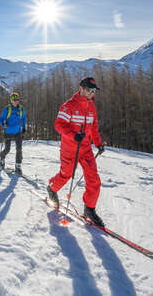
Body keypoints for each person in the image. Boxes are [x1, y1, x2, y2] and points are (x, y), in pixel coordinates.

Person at [47, 77, 106, 227]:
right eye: (89, 90)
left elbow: (93, 128)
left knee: (94, 179)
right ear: (81, 89)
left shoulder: (92, 108)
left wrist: (98, 143)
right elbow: (59, 125)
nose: (92, 93)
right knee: (66, 175)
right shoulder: (69, 106)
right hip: (70, 149)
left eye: (94, 91)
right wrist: (73, 135)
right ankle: (52, 187)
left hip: (85, 149)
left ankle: (89, 209)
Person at [0, 92, 27, 174]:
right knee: (7, 149)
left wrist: (24, 128)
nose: (16, 101)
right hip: (8, 132)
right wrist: (3, 124)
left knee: (19, 148)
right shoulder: (7, 109)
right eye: (14, 100)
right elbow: (0, 120)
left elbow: (24, 118)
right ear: (11, 100)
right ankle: (2, 157)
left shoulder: (21, 109)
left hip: (18, 132)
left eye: (17, 99)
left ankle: (18, 165)